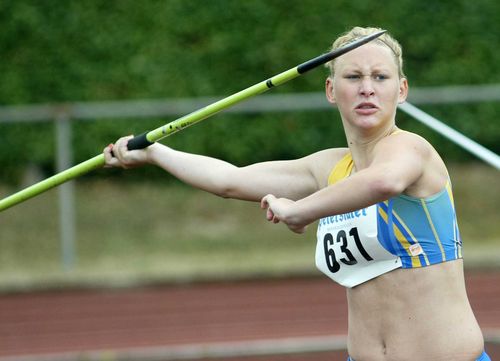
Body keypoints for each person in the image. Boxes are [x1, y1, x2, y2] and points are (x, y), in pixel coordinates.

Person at [104, 27, 490, 361]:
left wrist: (301, 210)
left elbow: (382, 182)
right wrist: (156, 152)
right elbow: (231, 180)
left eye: (381, 77)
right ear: (330, 90)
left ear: (401, 90)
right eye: (353, 76)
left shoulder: (410, 149)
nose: (367, 88)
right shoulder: (328, 169)